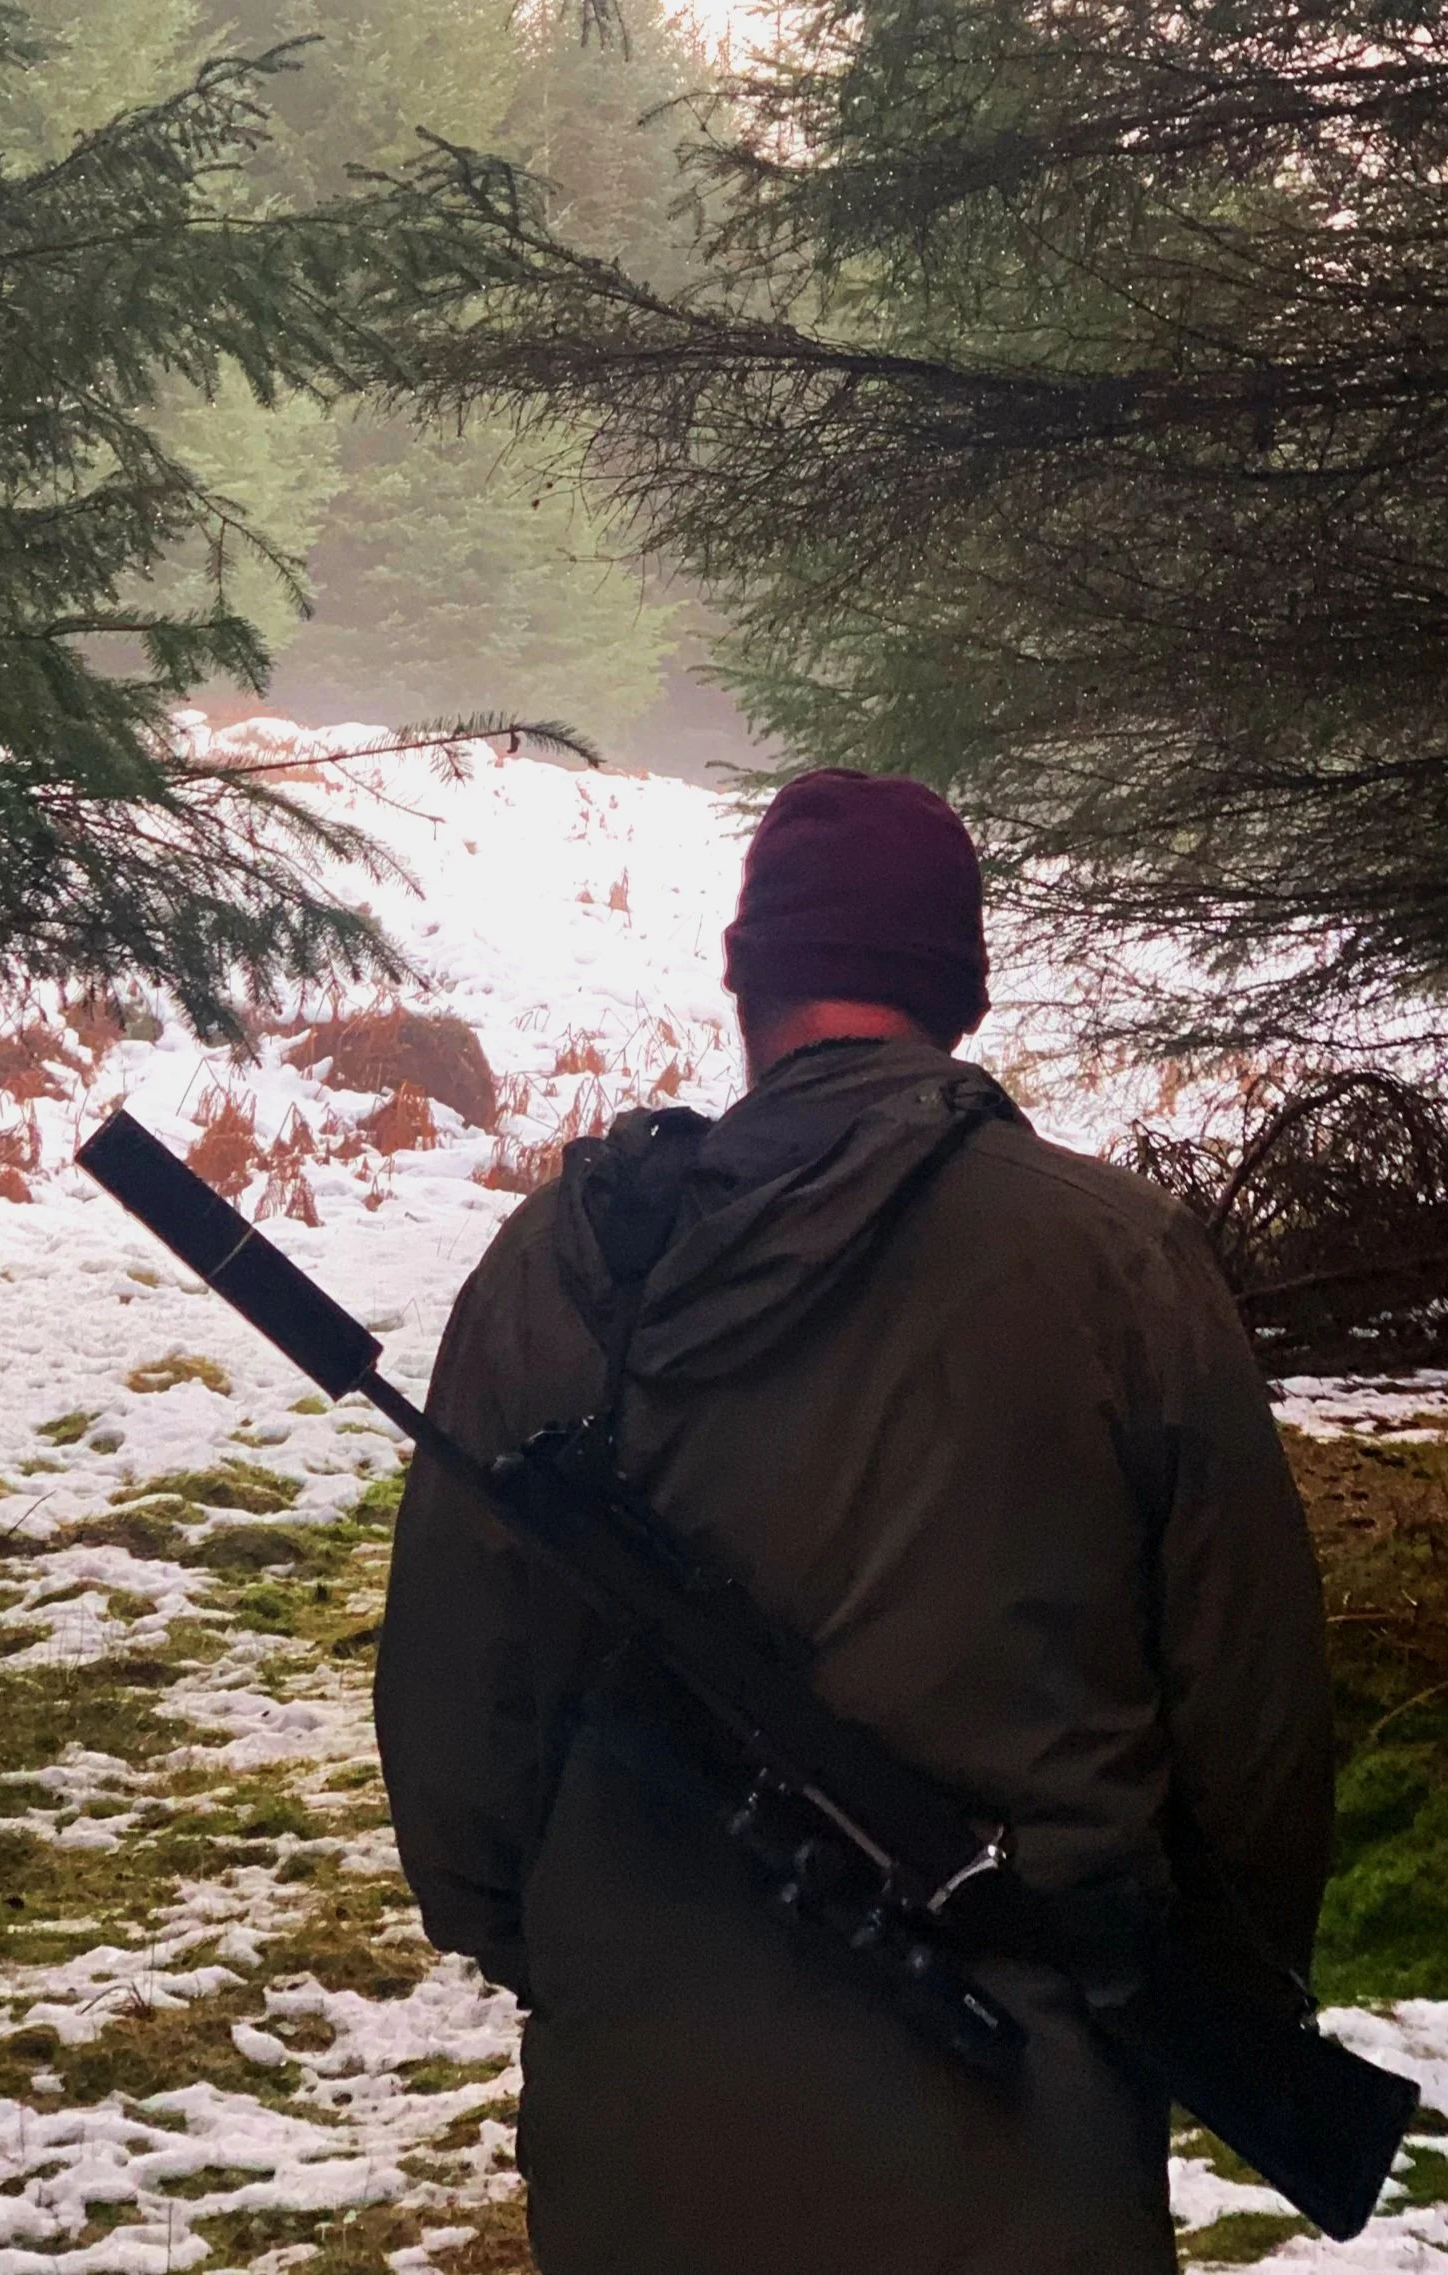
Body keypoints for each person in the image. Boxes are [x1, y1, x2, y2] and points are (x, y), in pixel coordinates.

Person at [374, 769, 1333, 2275]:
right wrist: (1195, 1991)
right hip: (1034, 2120)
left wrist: (585, 1955)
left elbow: (452, 1721)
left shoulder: (556, 1266)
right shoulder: (1117, 1263)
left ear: (748, 982)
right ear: (953, 991)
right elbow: (1252, 1727)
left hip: (650, 2126)